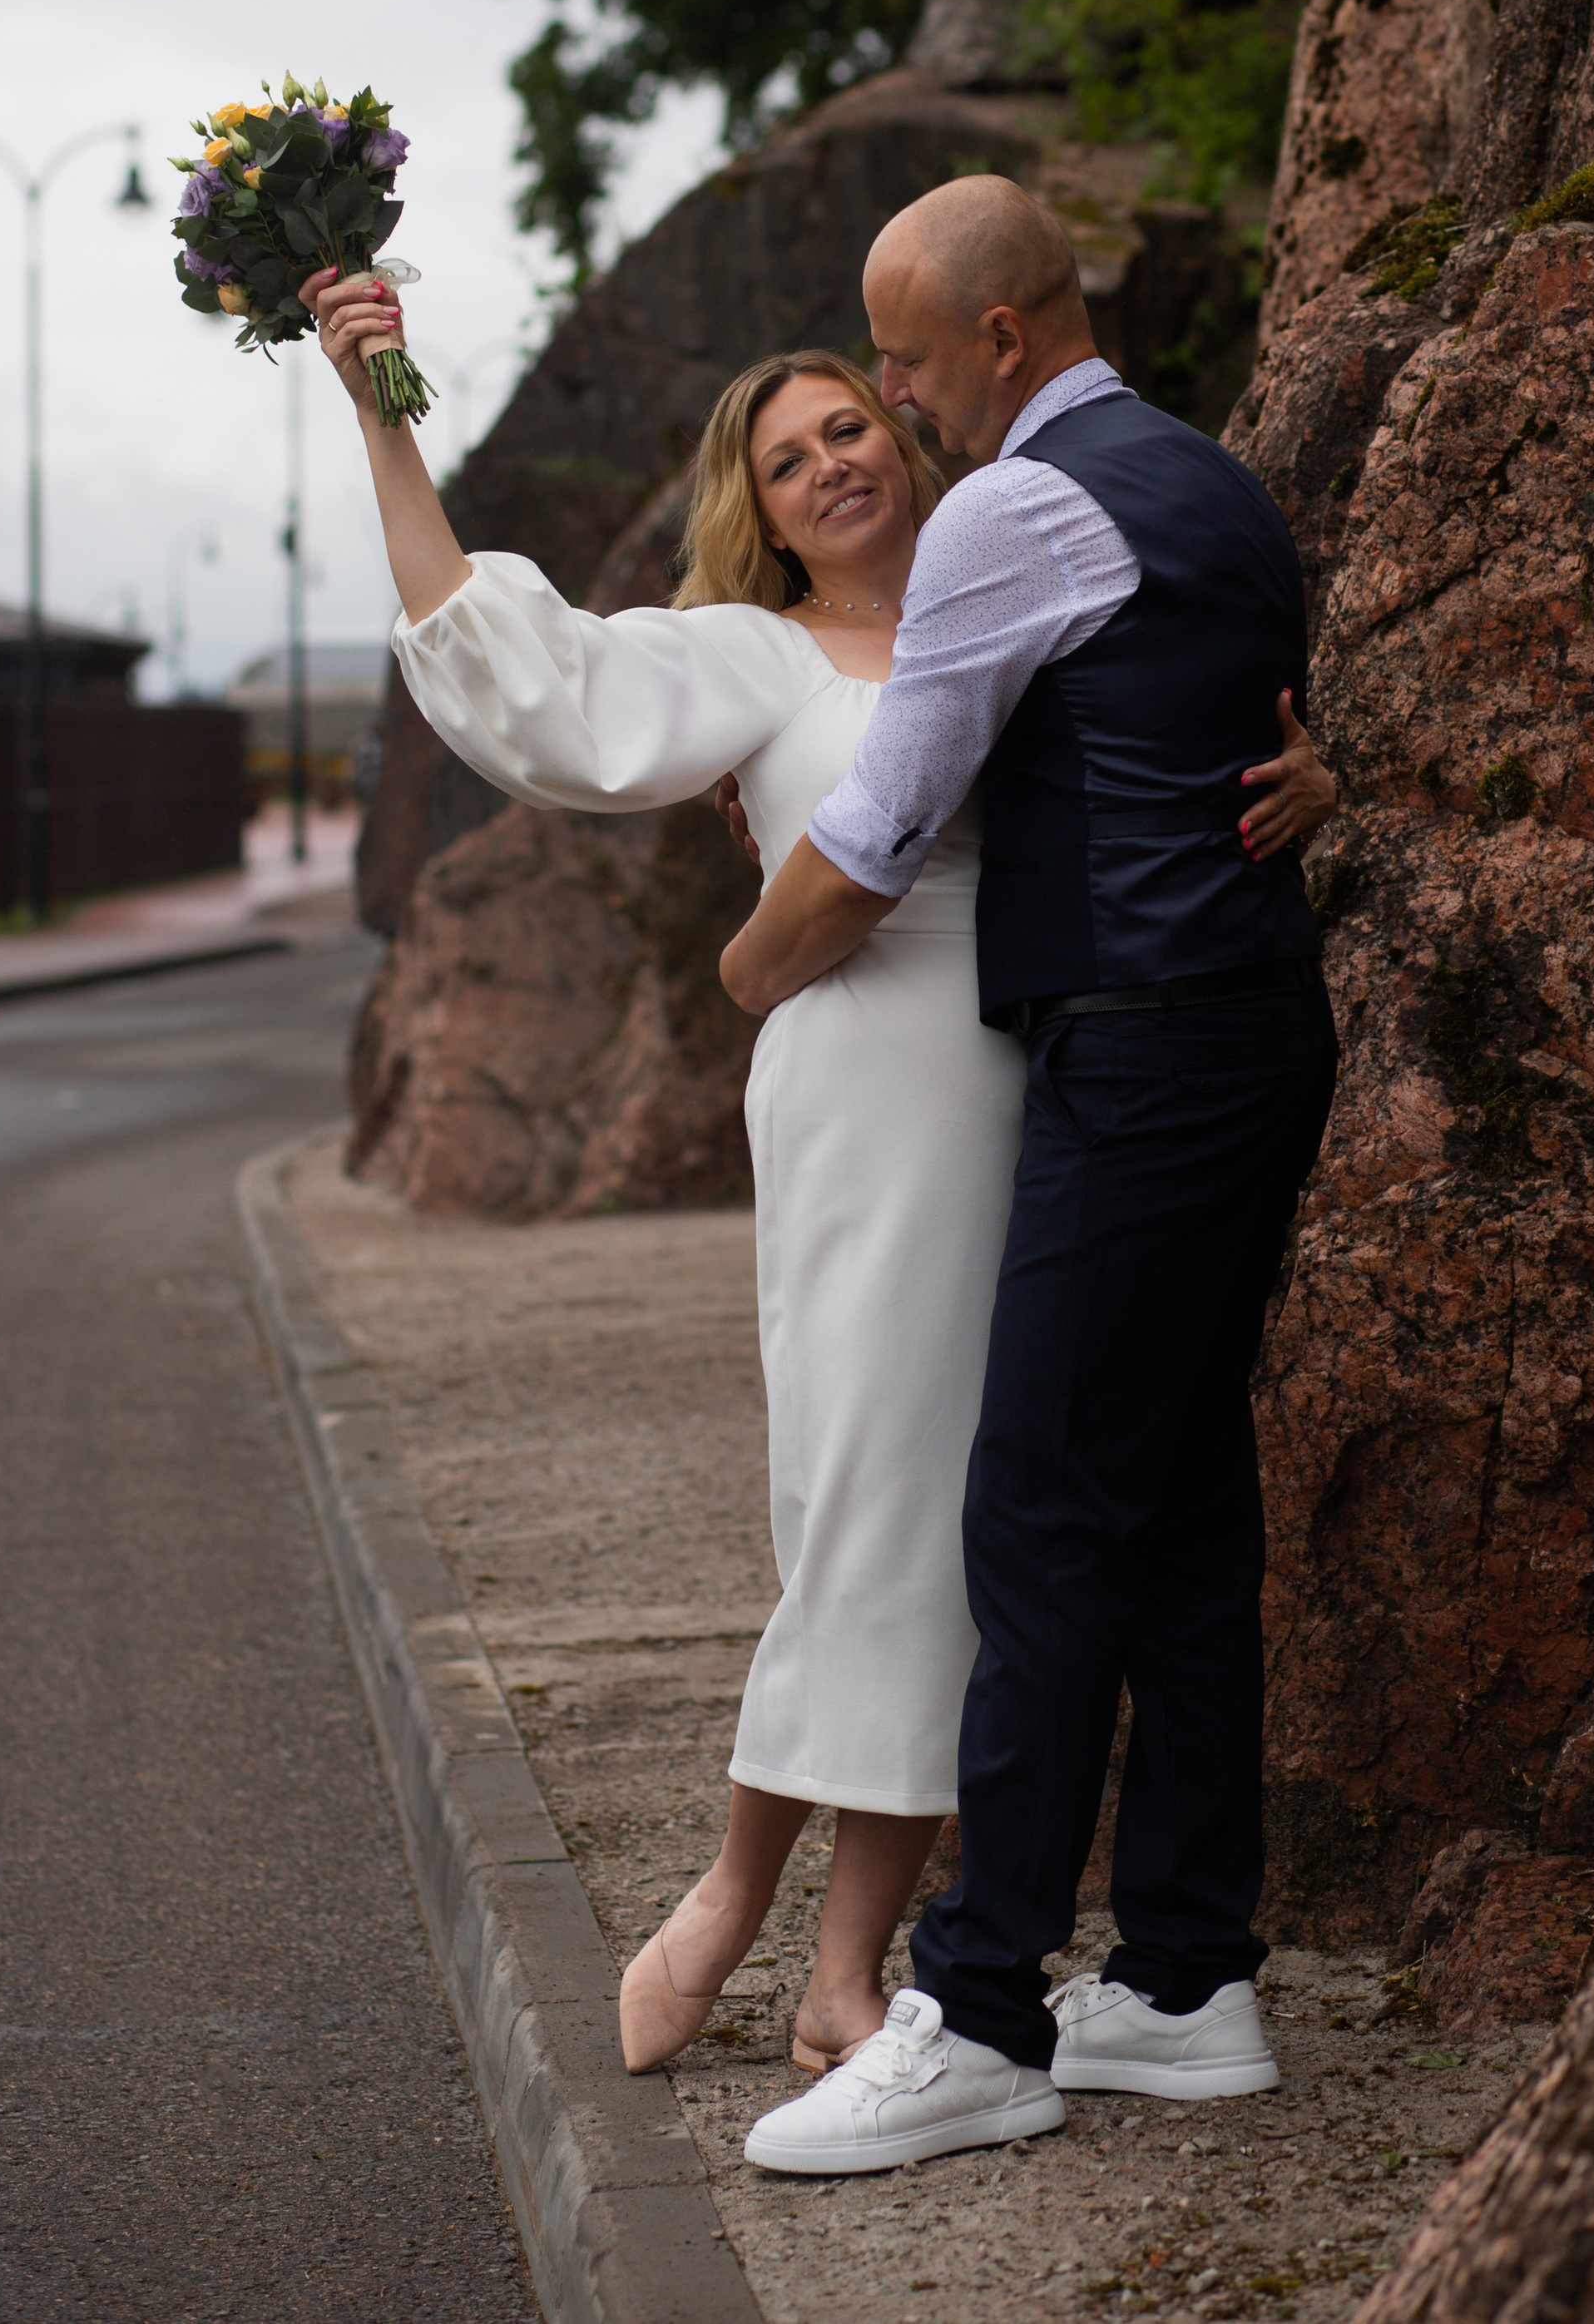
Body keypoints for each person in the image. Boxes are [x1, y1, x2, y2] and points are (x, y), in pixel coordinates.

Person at [301, 263, 1335, 2088]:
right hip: (867, 1090)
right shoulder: (752, 658)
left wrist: (1311, 776)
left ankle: (844, 1969)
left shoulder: (1018, 582)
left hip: (1055, 1087)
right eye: (784, 462)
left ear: (907, 420)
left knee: (982, 1526)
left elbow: (1181, 731)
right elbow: (506, 659)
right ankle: (733, 1900)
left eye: (848, 423)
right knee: (867, 1499)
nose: (829, 467)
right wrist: (375, 396)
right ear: (755, 511)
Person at [725, 176, 1340, 2178]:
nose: (888, 406)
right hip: (1248, 1026)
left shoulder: (1007, 503)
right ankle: (1179, 1979)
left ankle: (980, 2003)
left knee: (1043, 1506)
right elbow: (1234, 733)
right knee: (1174, 1503)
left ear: (998, 338)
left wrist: (745, 966)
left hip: (1141, 1041)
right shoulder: (1218, 481)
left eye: (897, 361)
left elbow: (889, 812)